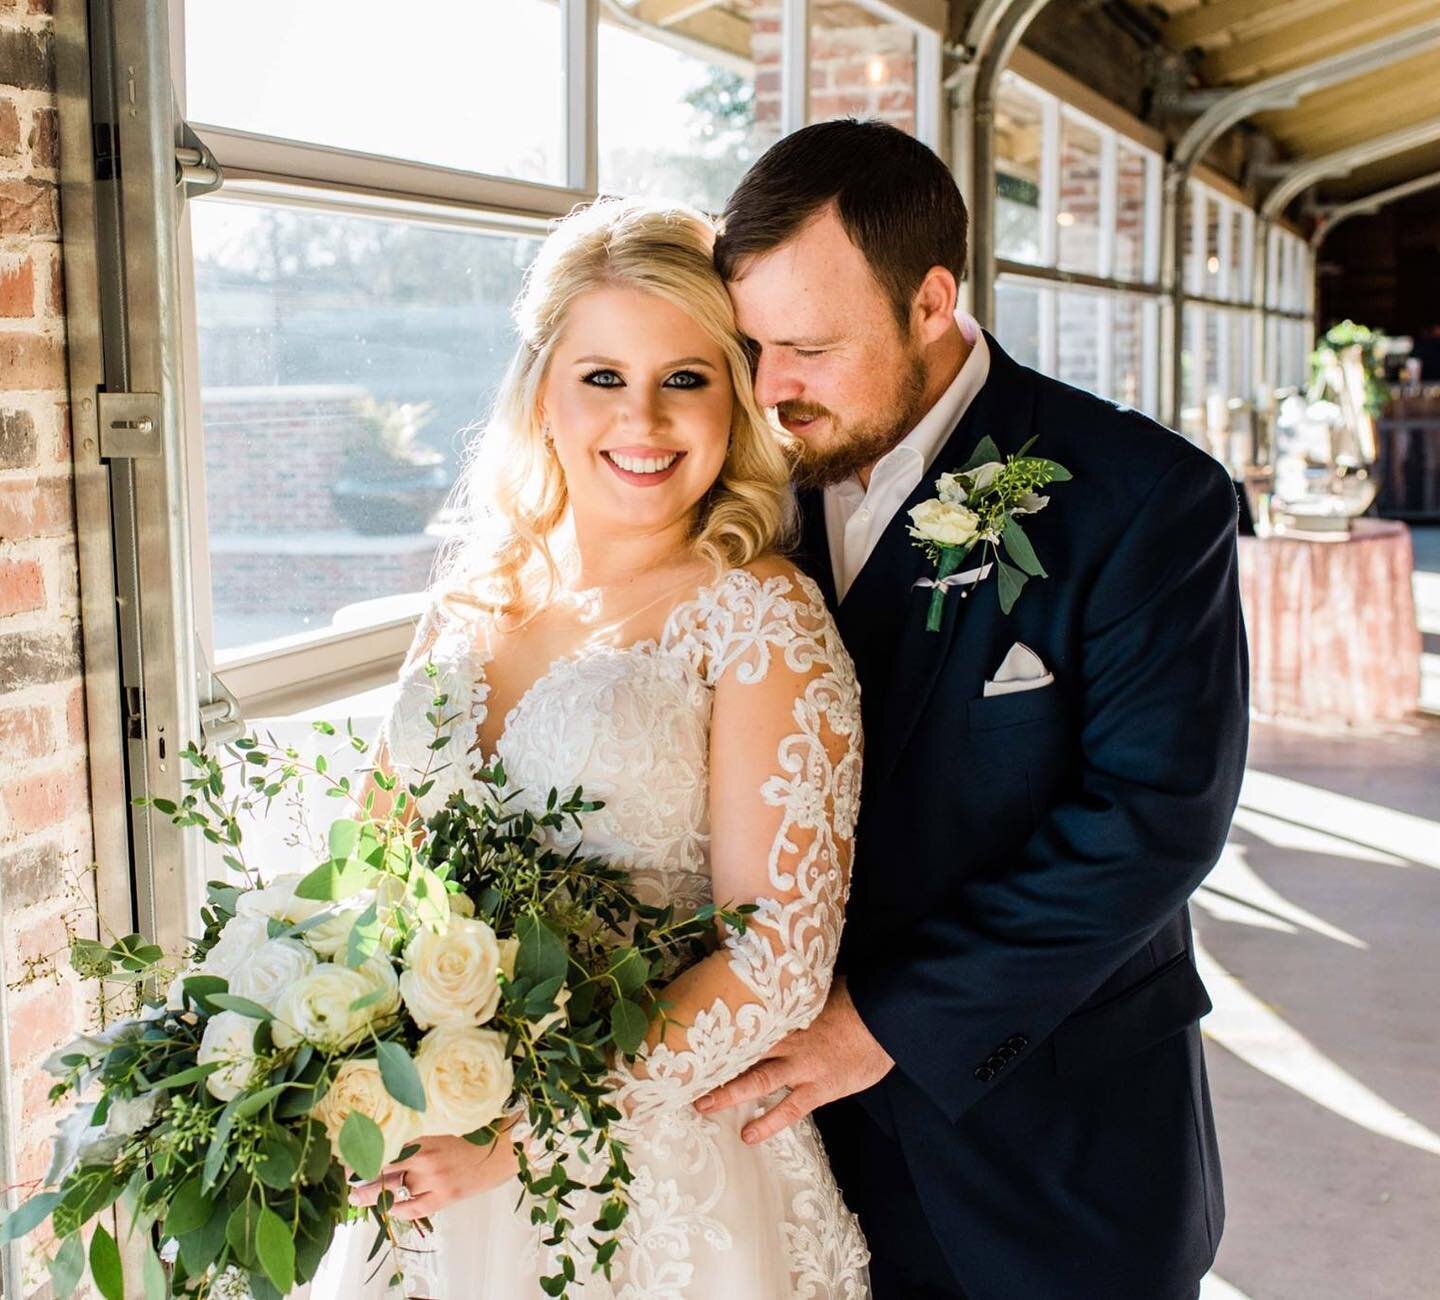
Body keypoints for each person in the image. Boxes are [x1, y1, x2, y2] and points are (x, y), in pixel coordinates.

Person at [697, 119, 1248, 1299]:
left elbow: (1152, 821)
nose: (768, 388)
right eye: (749, 345)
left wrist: (879, 1023)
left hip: (1051, 1155)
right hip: (787, 1165)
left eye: (807, 346)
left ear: (933, 300)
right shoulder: (733, 491)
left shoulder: (1147, 500)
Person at [308, 197, 870, 1299]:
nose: (644, 422)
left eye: (686, 378)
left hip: (646, 1179)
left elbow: (778, 965)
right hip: (424, 1158)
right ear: (544, 390)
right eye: (603, 376)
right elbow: (377, 869)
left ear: (737, 396)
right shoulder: (470, 596)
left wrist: (525, 1132)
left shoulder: (761, 617)